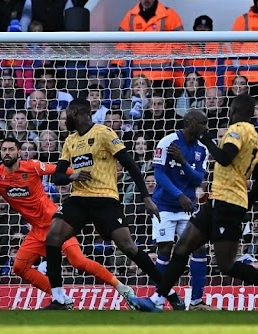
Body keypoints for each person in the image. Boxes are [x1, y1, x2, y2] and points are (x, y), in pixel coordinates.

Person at [146, 94, 258, 313]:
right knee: (183, 247)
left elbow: (224, 158)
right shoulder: (254, 137)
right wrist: (248, 203)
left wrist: (208, 140)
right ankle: (157, 300)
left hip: (228, 205)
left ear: (234, 109)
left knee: (226, 265)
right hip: (218, 202)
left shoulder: (237, 129)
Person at [0, 137, 142, 309]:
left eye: (11, 149)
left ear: (18, 152)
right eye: (3, 149)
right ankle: (60, 298)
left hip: (57, 224)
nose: (7, 152)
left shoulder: (33, 167)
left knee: (77, 261)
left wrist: (82, 176)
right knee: (20, 268)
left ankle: (123, 288)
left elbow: (59, 170)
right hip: (37, 230)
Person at [43, 98, 169, 311]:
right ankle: (58, 298)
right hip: (79, 199)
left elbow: (130, 164)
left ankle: (168, 290)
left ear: (76, 112)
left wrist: (146, 197)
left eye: (66, 115)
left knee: (128, 247)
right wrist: (73, 177)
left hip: (105, 198)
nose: (64, 120)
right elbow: (57, 177)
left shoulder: (104, 133)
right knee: (53, 236)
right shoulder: (70, 141)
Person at [148, 109, 211, 310]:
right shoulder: (168, 142)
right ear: (190, 122)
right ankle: (162, 298)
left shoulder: (202, 149)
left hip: (187, 208)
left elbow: (198, 179)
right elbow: (159, 175)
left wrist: (183, 162)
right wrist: (179, 195)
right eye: (202, 122)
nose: (205, 127)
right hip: (164, 206)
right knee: (164, 249)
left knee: (199, 248)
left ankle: (196, 301)